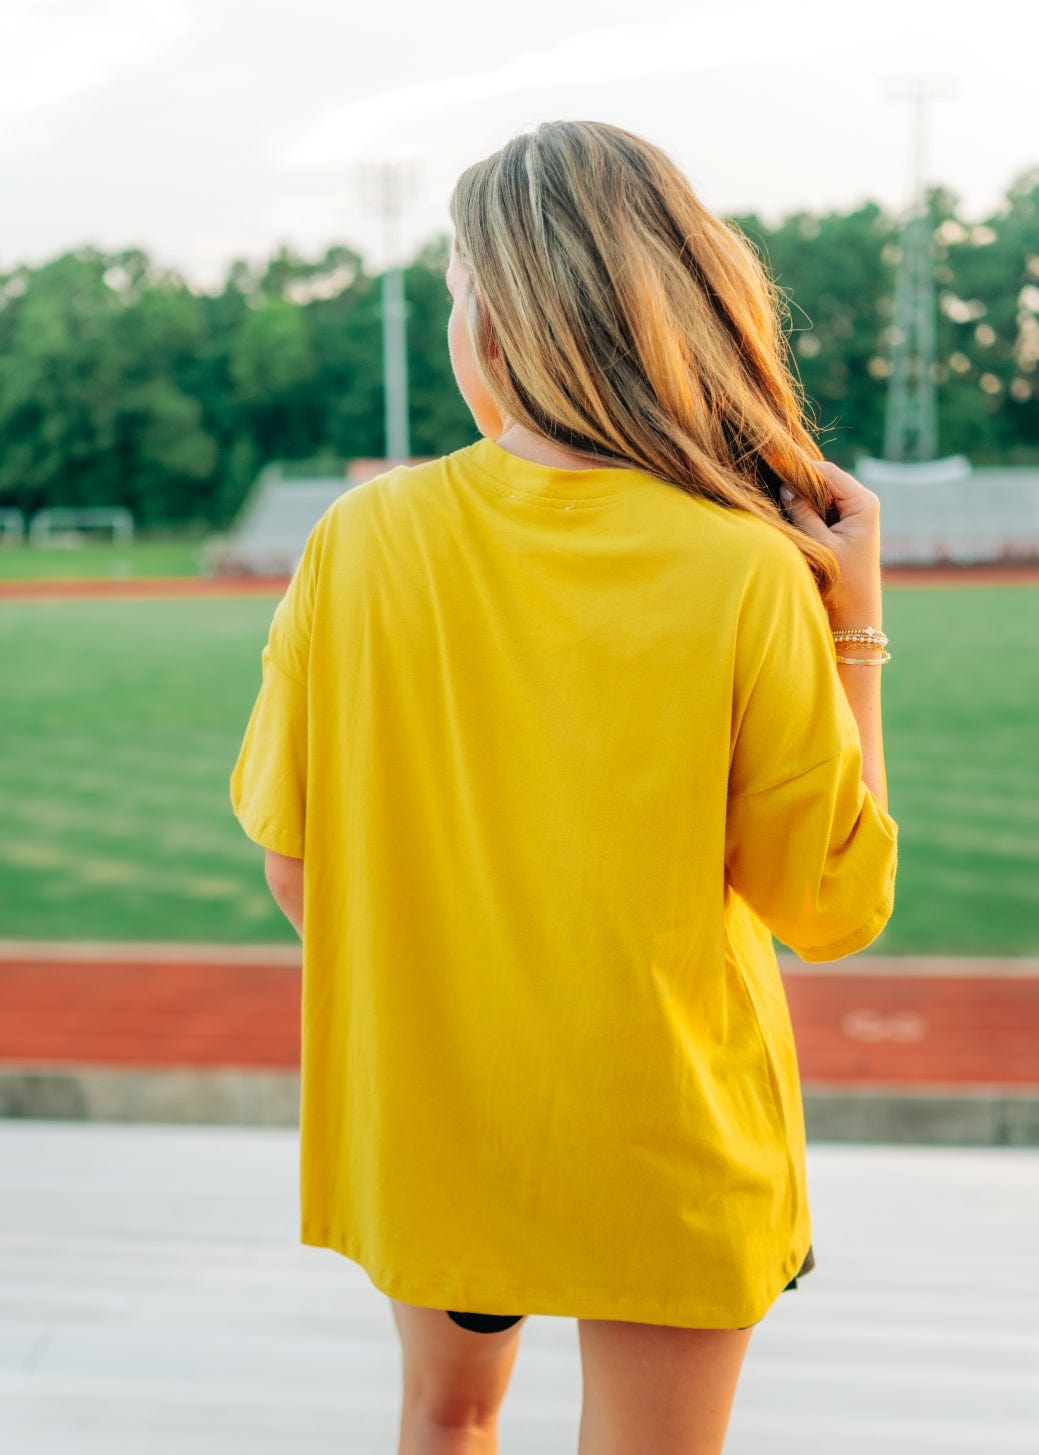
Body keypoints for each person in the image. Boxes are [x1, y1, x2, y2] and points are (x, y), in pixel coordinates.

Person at [230, 120, 897, 1455]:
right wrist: (856, 631)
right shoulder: (746, 571)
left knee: (446, 1418)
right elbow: (827, 907)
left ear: (504, 318)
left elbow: (302, 876)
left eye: (459, 287)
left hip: (445, 1120)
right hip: (671, 1132)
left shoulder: (357, 542)